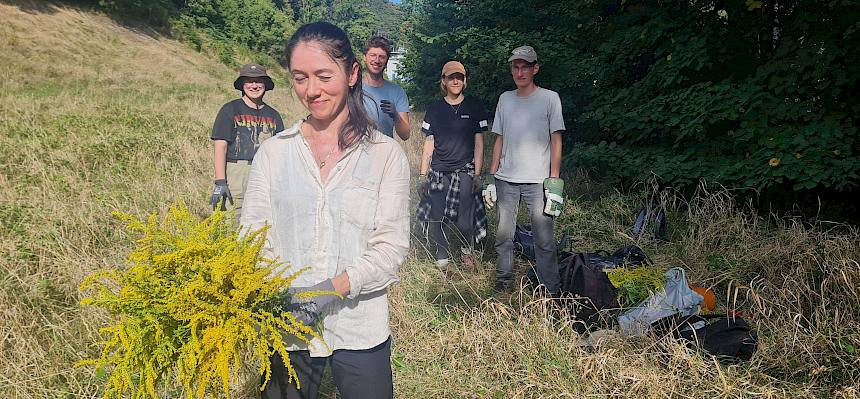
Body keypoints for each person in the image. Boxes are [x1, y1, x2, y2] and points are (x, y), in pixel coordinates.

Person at [240, 22, 410, 399]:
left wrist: (328, 291)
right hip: (288, 326)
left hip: (359, 325)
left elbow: (391, 248)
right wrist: (280, 294)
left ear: (352, 74)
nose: (311, 90)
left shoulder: (385, 155)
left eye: (323, 76)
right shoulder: (273, 154)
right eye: (300, 78)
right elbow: (253, 237)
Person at [484, 45, 565, 294]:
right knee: (503, 236)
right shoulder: (505, 99)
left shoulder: (550, 98)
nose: (520, 73)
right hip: (506, 179)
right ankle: (504, 284)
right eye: (515, 67)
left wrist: (554, 181)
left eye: (525, 67)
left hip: (538, 181)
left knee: (544, 240)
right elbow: (499, 138)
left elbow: (556, 140)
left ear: (535, 69)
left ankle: (550, 291)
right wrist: (491, 176)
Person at [416, 61, 489, 269]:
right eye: (451, 77)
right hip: (439, 171)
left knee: (464, 221)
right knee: (438, 217)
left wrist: (478, 174)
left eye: (459, 77)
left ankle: (467, 250)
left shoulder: (474, 107)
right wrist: (422, 175)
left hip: (464, 171)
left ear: (465, 81)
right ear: (444, 81)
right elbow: (429, 143)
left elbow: (479, 143)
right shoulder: (434, 109)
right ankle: (442, 258)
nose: (455, 81)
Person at [209, 63, 285, 212]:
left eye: (259, 81)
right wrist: (220, 182)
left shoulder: (273, 115)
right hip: (237, 172)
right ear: (242, 84)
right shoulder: (230, 109)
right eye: (249, 81)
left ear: (265, 85)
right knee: (231, 216)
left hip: (265, 172)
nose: (254, 85)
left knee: (261, 216)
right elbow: (220, 146)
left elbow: (280, 152)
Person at [361, 36, 411, 140]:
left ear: (387, 60)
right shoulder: (352, 88)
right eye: (373, 55)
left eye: (382, 57)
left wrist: (395, 116)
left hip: (384, 148)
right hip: (356, 147)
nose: (377, 60)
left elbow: (405, 135)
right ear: (364, 57)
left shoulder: (397, 91)